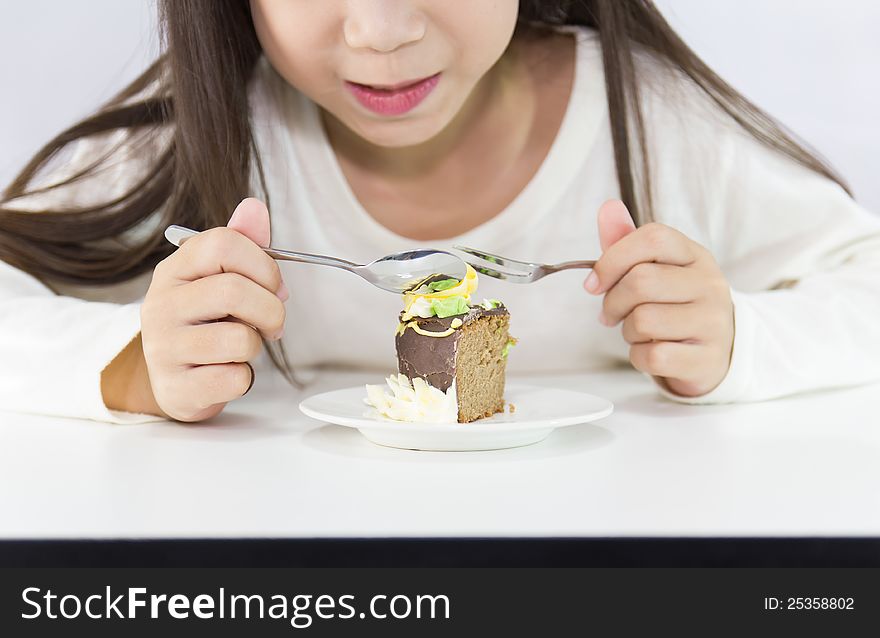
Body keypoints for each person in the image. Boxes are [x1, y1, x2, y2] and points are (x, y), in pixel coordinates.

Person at [1, 0, 878, 424]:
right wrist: (132, 368)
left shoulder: (653, 124)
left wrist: (739, 343)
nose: (381, 31)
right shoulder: (202, 136)